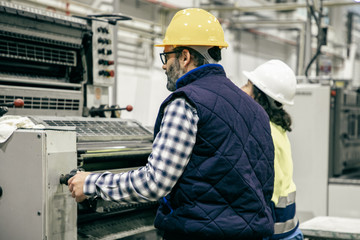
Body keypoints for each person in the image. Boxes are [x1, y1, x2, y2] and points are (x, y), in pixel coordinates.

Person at [68, 8, 275, 240]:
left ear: (185, 57)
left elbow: (154, 183)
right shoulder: (256, 110)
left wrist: (91, 183)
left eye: (167, 57)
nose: (164, 66)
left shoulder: (187, 102)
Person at [241, 60, 304, 240]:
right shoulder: (276, 127)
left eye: (247, 85)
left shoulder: (261, 131)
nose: (241, 88)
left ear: (259, 95)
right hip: (288, 226)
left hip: (272, 229)